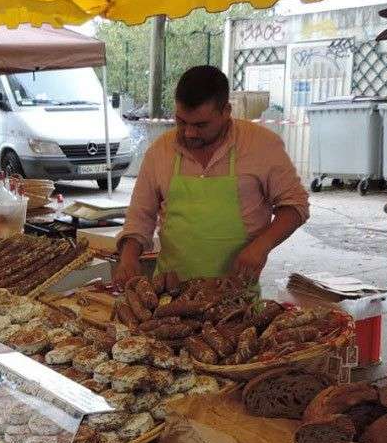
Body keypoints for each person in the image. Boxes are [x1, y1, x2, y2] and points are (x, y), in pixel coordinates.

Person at [113, 66, 309, 287]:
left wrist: (261, 246)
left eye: (200, 125)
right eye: (181, 122)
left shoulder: (261, 145)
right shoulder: (160, 151)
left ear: (226, 111)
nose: (189, 133)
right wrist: (128, 258)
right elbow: (140, 215)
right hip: (169, 295)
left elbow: (295, 205)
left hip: (235, 297)